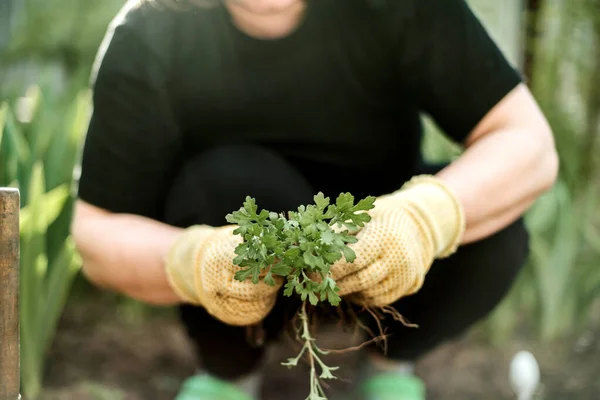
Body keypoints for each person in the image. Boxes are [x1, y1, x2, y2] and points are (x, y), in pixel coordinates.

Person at [71, 0, 558, 398]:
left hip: (378, 248)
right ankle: (229, 376)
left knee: (491, 228)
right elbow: (96, 233)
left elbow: (528, 142)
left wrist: (423, 217)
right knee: (221, 184)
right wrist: (194, 261)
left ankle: (390, 367)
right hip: (244, 268)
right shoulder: (150, 31)